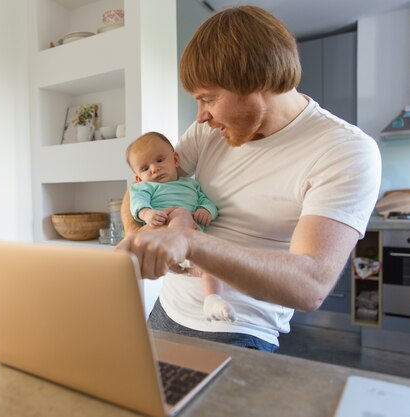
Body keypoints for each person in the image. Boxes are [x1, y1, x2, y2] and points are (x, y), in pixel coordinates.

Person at [116, 5, 381, 352]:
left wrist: (191, 243)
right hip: (166, 312)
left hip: (239, 329)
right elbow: (145, 184)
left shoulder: (345, 150)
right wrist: (138, 235)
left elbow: (311, 283)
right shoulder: (208, 131)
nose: (201, 115)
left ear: (259, 81)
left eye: (209, 99)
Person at [126, 131, 235, 321]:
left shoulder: (191, 185)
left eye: (160, 160)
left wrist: (207, 211)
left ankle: (212, 299)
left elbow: (206, 201)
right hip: (163, 230)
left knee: (211, 263)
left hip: (191, 240)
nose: (154, 169)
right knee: (181, 212)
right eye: (144, 168)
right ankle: (172, 247)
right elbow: (138, 203)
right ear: (138, 178)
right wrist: (148, 214)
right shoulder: (145, 187)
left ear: (175, 159)